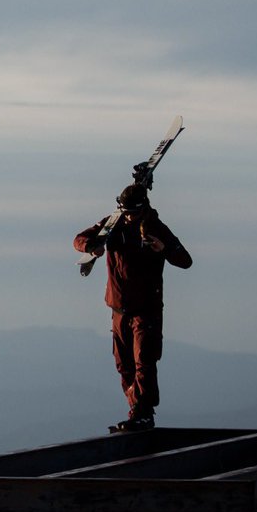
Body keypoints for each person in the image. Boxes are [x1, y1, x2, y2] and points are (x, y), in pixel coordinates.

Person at [74, 183, 192, 431]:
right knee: (124, 364)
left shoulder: (155, 228)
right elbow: (79, 239)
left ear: (142, 209)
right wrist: (91, 247)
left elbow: (185, 260)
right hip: (118, 309)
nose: (128, 217)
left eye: (132, 213)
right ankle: (135, 411)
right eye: (125, 212)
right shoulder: (112, 223)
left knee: (144, 361)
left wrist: (164, 249)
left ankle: (143, 413)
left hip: (146, 309)